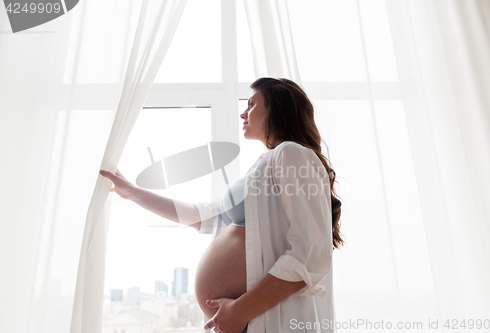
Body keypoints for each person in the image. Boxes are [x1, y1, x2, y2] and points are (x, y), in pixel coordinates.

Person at [100, 77, 343, 333]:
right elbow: (198, 216)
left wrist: (240, 310)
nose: (243, 113)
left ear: (278, 108)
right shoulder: (263, 166)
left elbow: (311, 253)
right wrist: (133, 193)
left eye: (251, 104)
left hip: (269, 317)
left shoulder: (291, 153)